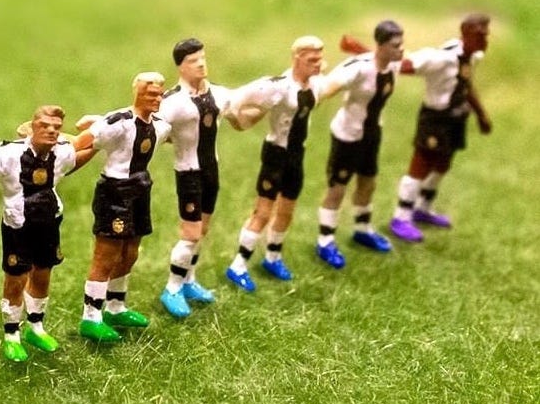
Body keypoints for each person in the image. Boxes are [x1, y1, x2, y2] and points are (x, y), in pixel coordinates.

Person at [0, 105, 91, 362]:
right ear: (32, 127)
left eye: (56, 127)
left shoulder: (61, 153)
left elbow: (82, 151)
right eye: (45, 126)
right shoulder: (9, 155)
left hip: (49, 222)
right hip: (18, 226)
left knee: (42, 274)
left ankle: (36, 327)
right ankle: (11, 335)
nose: (51, 131)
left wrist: (99, 142)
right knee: (16, 278)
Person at [224, 36, 331, 292]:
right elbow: (238, 98)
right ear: (297, 59)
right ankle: (238, 265)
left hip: (297, 154)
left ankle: (273, 256)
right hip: (276, 155)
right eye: (312, 60)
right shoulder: (278, 87)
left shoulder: (315, 84)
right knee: (263, 213)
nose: (318, 64)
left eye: (319, 59)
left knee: (287, 210)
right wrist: (237, 118)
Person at [73, 71, 172, 342]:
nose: (157, 99)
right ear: (138, 93)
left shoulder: (161, 126)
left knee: (130, 252)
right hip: (115, 192)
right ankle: (91, 316)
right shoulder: (119, 122)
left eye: (160, 94)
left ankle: (116, 307)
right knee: (107, 254)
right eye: (151, 94)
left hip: (141, 189)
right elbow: (80, 142)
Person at [384, 14, 492, 242]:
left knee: (443, 164)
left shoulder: (472, 56)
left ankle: (422, 207)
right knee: (420, 165)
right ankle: (401, 217)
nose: (485, 40)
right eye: (480, 35)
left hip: (455, 119)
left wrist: (481, 114)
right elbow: (404, 66)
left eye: (486, 34)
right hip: (435, 119)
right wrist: (368, 54)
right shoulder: (441, 59)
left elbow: (466, 84)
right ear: (466, 33)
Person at [156, 38, 240, 318]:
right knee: (190, 234)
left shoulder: (218, 93)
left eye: (202, 58)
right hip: (188, 173)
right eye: (193, 61)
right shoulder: (172, 102)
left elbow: (240, 111)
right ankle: (172, 288)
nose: (201, 64)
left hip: (211, 170)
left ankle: (189, 280)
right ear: (181, 66)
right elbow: (155, 130)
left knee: (202, 230)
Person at [312, 21, 406, 268]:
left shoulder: (393, 64)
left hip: (371, 134)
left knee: (368, 182)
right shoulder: (357, 69)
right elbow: (328, 88)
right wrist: (315, 91)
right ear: (381, 45)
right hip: (347, 136)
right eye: (396, 45)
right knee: (337, 188)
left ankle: (362, 229)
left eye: (401, 44)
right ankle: (325, 240)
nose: (401, 49)